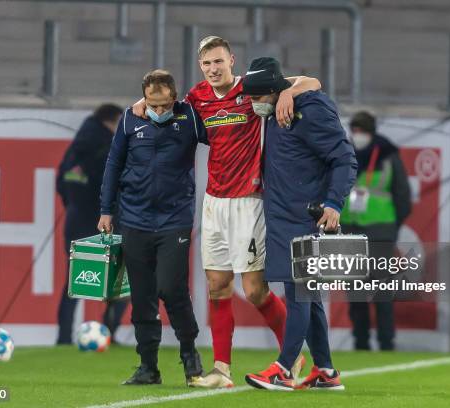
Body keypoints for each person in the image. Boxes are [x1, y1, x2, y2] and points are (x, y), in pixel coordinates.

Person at [133, 36, 321, 388]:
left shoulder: (251, 88)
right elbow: (166, 103)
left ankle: (292, 356)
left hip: (249, 201)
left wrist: (286, 93)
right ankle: (221, 370)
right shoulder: (196, 98)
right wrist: (142, 101)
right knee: (218, 286)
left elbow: (312, 82)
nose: (213, 69)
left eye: (218, 62)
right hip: (214, 202)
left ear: (231, 60)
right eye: (206, 64)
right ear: (200, 66)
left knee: (254, 290)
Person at [242, 57, 357, 391]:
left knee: (300, 295)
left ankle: (283, 368)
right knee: (308, 296)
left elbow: (344, 158)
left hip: (304, 218)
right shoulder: (282, 101)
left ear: (272, 92)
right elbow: (301, 79)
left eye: (257, 99)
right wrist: (293, 87)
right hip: (284, 216)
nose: (253, 105)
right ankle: (325, 371)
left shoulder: (311, 111)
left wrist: (334, 203)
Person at [98, 70, 207, 386]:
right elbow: (114, 165)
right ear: (143, 99)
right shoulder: (130, 119)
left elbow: (223, 141)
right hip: (134, 218)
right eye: (151, 104)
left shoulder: (190, 118)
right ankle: (148, 366)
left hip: (175, 219)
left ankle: (189, 355)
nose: (158, 111)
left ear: (175, 98)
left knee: (171, 288)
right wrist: (106, 210)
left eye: (163, 105)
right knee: (142, 295)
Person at [56, 103, 128, 345]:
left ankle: (64, 337)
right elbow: (116, 185)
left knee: (75, 282)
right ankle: (108, 330)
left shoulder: (74, 149)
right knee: (119, 279)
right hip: (105, 222)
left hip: (76, 221)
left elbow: (61, 182)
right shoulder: (110, 147)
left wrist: (73, 204)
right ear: (112, 121)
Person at [340, 111, 412, 351]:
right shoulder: (343, 152)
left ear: (371, 132)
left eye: (362, 131)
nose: (358, 136)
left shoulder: (388, 156)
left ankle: (386, 342)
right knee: (355, 291)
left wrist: (392, 228)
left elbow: (403, 197)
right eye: (355, 131)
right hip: (350, 229)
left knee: (382, 291)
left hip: (380, 231)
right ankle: (360, 343)